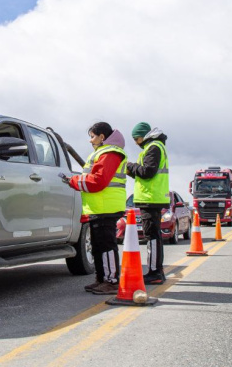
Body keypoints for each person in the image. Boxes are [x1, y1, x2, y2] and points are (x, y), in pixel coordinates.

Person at [66, 122, 127, 295]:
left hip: (106, 207)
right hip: (98, 208)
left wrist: (74, 181)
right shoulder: (102, 152)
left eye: (92, 136)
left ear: (102, 137)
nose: (90, 140)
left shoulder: (110, 153)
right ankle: (102, 278)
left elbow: (98, 181)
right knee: (98, 245)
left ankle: (111, 281)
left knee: (106, 246)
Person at [126, 122, 169, 285]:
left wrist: (130, 165)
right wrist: (133, 171)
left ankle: (155, 272)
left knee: (152, 236)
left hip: (151, 198)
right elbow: (143, 174)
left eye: (136, 139)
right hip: (152, 197)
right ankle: (157, 270)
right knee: (154, 235)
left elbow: (147, 172)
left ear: (143, 136)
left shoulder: (153, 147)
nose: (136, 143)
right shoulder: (155, 146)